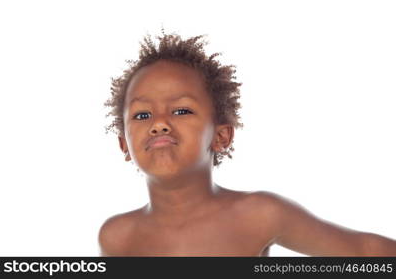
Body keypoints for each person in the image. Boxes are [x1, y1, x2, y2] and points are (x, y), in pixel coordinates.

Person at [99, 31, 396, 256]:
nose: (159, 123)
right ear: (124, 144)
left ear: (221, 136)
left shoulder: (258, 214)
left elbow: (363, 251)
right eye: (142, 114)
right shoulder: (117, 237)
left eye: (181, 110)